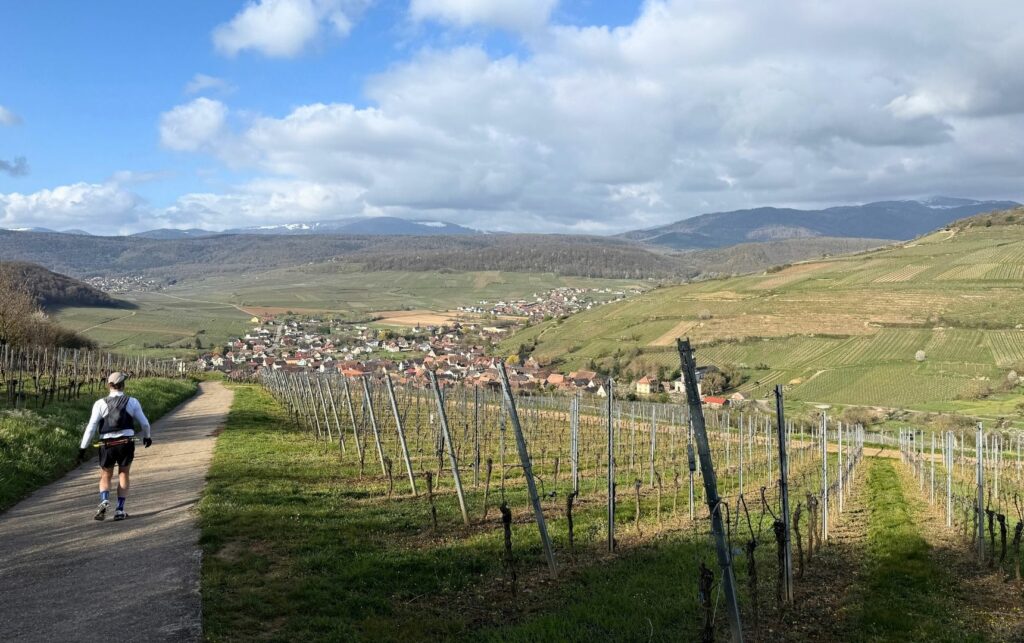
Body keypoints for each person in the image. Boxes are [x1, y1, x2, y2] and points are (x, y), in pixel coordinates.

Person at [78, 372, 152, 521]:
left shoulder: (100, 403)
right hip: (126, 442)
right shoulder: (132, 402)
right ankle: (119, 509)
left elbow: (91, 427)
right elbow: (144, 423)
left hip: (107, 444)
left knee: (106, 475)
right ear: (123, 385)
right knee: (124, 474)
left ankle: (104, 500)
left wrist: (83, 448)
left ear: (109, 385)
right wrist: (147, 437)